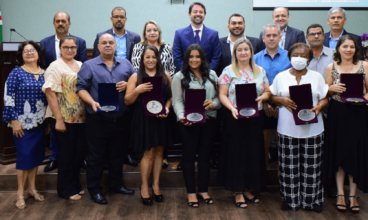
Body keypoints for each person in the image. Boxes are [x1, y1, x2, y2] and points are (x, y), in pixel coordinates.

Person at [76, 33, 135, 205]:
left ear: (116, 45)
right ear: (98, 46)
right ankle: (95, 190)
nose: (108, 45)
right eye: (104, 43)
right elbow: (80, 88)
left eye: (111, 42)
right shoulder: (89, 65)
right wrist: (91, 101)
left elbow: (135, 84)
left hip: (121, 118)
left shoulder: (126, 64)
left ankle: (116, 185)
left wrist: (127, 85)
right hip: (98, 119)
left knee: (117, 155)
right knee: (96, 157)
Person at [270, 43, 329, 212]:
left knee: (313, 166)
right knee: (288, 166)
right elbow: (272, 97)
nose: (299, 58)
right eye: (296, 55)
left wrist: (320, 107)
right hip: (287, 129)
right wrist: (281, 100)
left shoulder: (317, 76)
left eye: (304, 56)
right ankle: (290, 200)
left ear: (309, 59)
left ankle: (312, 200)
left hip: (313, 129)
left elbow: (325, 98)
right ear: (289, 57)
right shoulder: (281, 77)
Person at [217, 38, 270, 209]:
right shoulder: (228, 71)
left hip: (255, 119)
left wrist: (264, 97)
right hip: (235, 119)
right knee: (236, 154)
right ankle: (237, 191)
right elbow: (223, 95)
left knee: (253, 153)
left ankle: (248, 188)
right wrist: (232, 108)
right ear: (235, 53)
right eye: (239, 50)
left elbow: (267, 91)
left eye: (246, 49)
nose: (243, 52)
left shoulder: (260, 70)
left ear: (251, 52)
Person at [323, 35, 368, 214]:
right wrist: (330, 89)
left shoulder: (364, 66)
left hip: (359, 114)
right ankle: (341, 194)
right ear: (338, 49)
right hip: (338, 114)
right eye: (345, 46)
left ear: (356, 49)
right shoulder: (331, 67)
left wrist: (362, 100)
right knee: (339, 153)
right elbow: (325, 92)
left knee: (356, 154)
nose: (348, 50)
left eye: (352, 47)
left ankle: (353, 195)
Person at [172, 44, 221, 208]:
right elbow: (177, 101)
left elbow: (220, 98)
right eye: (191, 57)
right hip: (188, 122)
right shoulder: (179, 76)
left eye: (197, 56)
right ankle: (191, 192)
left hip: (209, 120)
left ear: (202, 58)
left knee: (205, 156)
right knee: (189, 156)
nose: (194, 59)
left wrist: (213, 103)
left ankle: (203, 190)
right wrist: (181, 116)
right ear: (186, 59)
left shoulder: (213, 74)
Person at [92, 6, 141, 166]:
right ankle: (106, 156)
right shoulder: (102, 36)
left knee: (124, 120)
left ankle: (125, 152)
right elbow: (94, 61)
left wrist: (130, 84)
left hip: (126, 81)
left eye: (122, 16)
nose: (119, 19)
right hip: (105, 82)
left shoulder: (135, 37)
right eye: (116, 16)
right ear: (111, 18)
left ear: (125, 19)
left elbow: (136, 61)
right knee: (106, 120)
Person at [40, 11, 87, 172]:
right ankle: (55, 157)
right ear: (54, 24)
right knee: (56, 126)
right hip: (54, 91)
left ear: (69, 23)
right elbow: (43, 66)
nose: (61, 23)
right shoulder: (44, 43)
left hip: (76, 103)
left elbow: (83, 69)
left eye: (64, 21)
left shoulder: (79, 42)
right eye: (58, 21)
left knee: (74, 142)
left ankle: (75, 162)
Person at [125, 46, 173, 205]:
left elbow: (170, 97)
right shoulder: (135, 76)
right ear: (142, 59)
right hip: (144, 118)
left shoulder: (165, 76)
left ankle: (156, 185)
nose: (151, 60)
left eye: (154, 57)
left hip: (161, 118)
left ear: (158, 59)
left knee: (160, 151)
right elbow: (127, 100)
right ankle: (144, 186)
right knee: (148, 153)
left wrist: (167, 107)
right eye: (147, 57)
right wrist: (137, 90)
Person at [2, 41, 47, 209]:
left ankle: (32, 189)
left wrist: (48, 120)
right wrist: (13, 120)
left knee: (35, 156)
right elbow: (8, 97)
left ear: (38, 53)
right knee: (24, 157)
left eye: (32, 50)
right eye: (25, 51)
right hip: (21, 123)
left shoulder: (45, 73)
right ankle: (19, 193)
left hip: (40, 122)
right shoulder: (16, 73)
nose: (29, 53)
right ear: (21, 55)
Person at [42, 36, 87, 201]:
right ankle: (65, 189)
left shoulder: (81, 65)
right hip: (64, 118)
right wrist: (59, 119)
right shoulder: (55, 66)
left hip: (80, 118)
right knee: (67, 153)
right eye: (66, 47)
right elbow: (50, 93)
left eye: (73, 47)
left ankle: (75, 184)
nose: (70, 50)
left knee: (78, 153)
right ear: (60, 49)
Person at [255, 24, 292, 166]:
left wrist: (278, 103)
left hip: (284, 107)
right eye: (268, 36)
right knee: (261, 148)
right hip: (262, 107)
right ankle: (261, 180)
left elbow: (293, 83)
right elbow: (253, 84)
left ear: (280, 37)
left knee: (284, 148)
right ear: (263, 38)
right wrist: (266, 102)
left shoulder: (289, 57)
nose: (271, 38)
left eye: (274, 35)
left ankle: (283, 181)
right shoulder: (255, 59)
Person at [173, 2, 221, 72]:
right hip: (186, 77)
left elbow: (216, 58)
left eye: (201, 12)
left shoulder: (213, 34)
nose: (198, 14)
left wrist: (206, 73)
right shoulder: (179, 34)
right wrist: (190, 74)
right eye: (195, 12)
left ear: (204, 15)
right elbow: (177, 58)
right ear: (189, 14)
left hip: (207, 76)